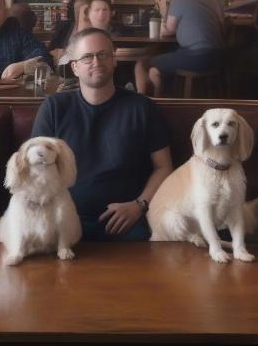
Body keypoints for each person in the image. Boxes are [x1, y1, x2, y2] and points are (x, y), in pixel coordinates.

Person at [31, 27, 172, 242]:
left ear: (114, 60)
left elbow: (163, 167)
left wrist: (139, 206)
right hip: (65, 218)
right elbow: (35, 170)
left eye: (103, 54)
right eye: (87, 57)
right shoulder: (54, 107)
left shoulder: (142, 107)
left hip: (127, 221)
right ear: (75, 67)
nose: (96, 62)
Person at [135, 0, 224, 97]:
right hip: (218, 56)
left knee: (142, 65)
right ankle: (166, 101)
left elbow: (167, 31)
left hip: (197, 57)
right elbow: (222, 22)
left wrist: (163, 4)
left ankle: (146, 104)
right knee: (160, 65)